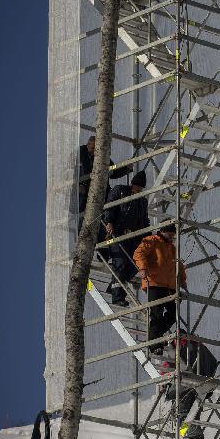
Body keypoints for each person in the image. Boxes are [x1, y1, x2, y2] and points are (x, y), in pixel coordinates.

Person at [134, 223, 186, 354]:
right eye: (170, 234)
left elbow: (177, 264)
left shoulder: (171, 247)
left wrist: (182, 279)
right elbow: (139, 254)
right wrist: (143, 268)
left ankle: (154, 337)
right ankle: (154, 344)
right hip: (155, 283)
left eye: (173, 235)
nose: (172, 237)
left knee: (173, 314)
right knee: (156, 314)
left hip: (169, 286)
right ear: (163, 231)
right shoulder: (152, 241)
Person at [160, 335, 219, 439]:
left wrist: (163, 380)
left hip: (185, 386)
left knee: (183, 413)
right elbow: (213, 363)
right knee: (193, 413)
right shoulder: (200, 347)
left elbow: (168, 365)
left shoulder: (181, 347)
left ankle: (192, 436)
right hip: (201, 386)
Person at [103, 170, 150, 306]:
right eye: (137, 187)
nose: (138, 190)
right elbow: (110, 206)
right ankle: (118, 298)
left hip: (134, 238)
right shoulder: (120, 191)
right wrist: (109, 222)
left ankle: (114, 287)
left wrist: (147, 238)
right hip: (119, 234)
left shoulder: (142, 201)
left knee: (135, 265)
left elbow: (144, 220)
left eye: (140, 188)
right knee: (120, 263)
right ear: (132, 184)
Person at [77, 135, 132, 215]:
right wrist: (77, 186)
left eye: (96, 149)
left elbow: (113, 170)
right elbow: (68, 173)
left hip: (100, 195)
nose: (94, 151)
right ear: (87, 145)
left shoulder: (103, 156)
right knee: (83, 217)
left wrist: (125, 168)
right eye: (92, 148)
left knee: (101, 215)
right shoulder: (79, 154)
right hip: (83, 196)